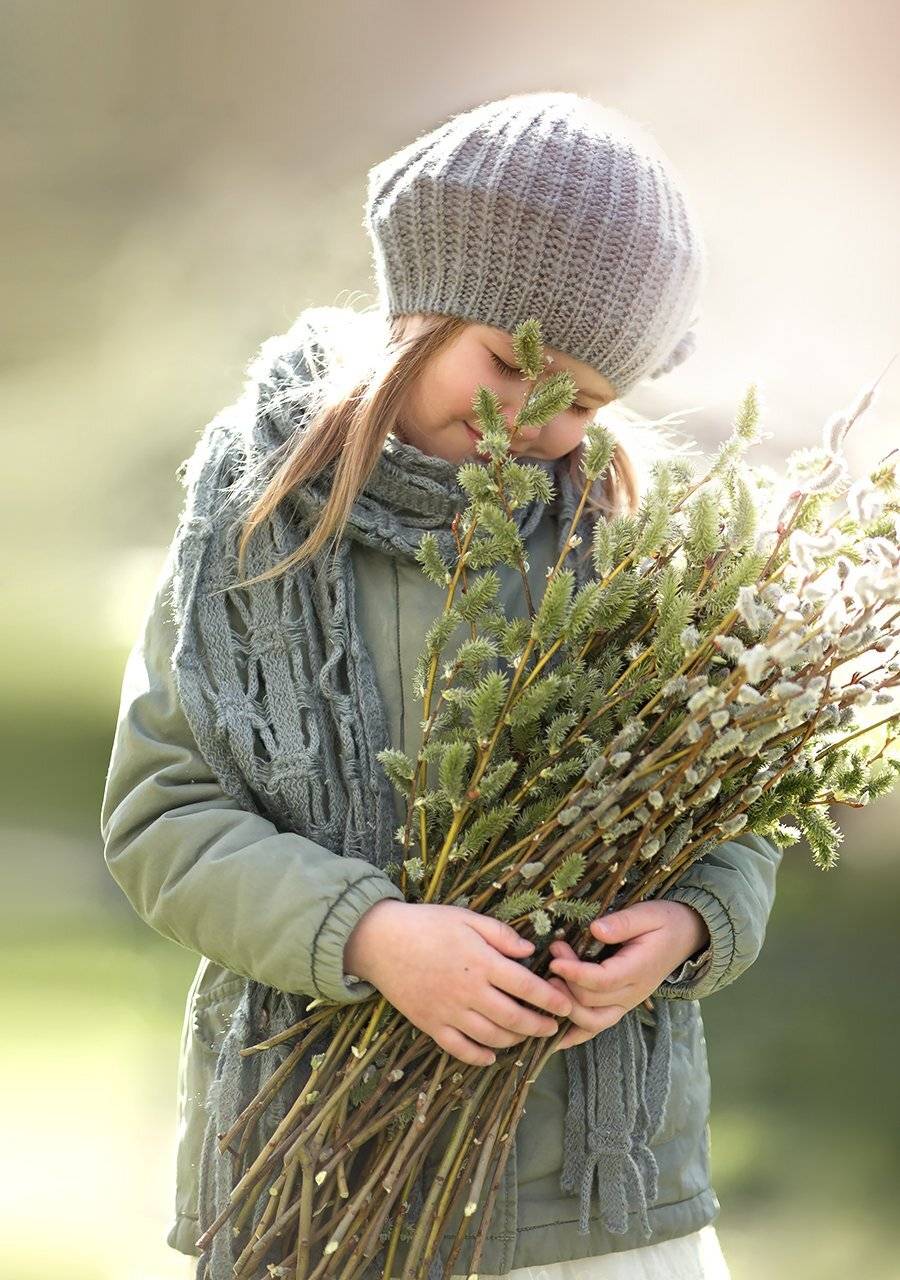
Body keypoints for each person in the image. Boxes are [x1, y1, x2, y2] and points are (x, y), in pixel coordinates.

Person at [100, 91, 782, 1280]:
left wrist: (686, 924)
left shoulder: (636, 549)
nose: (543, 418)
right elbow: (164, 812)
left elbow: (734, 806)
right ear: (426, 302)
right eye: (517, 364)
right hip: (321, 1174)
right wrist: (367, 934)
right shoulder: (255, 524)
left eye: (589, 399)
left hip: (589, 1197)